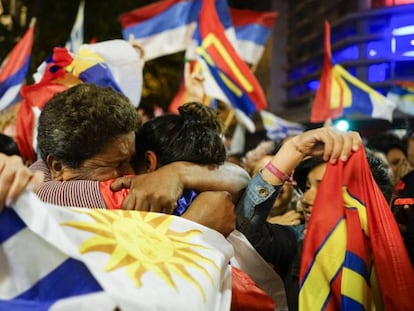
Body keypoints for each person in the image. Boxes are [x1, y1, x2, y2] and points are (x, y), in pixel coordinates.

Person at [30, 84, 250, 236]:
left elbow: (240, 176)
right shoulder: (45, 198)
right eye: (116, 165)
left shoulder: (40, 172)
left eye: (132, 159)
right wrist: (192, 228)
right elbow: (239, 180)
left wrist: (177, 173)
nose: (132, 173)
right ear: (58, 167)